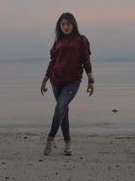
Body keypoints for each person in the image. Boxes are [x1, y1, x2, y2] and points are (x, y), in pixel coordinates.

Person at [40, 12, 94, 156]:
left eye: (68, 24)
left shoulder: (81, 40)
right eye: (63, 24)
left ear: (73, 24)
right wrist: (45, 80)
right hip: (56, 81)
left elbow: (86, 61)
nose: (65, 27)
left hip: (73, 81)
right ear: (60, 26)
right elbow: (52, 63)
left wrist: (90, 80)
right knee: (63, 111)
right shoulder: (57, 43)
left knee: (60, 106)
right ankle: (68, 143)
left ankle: (50, 138)